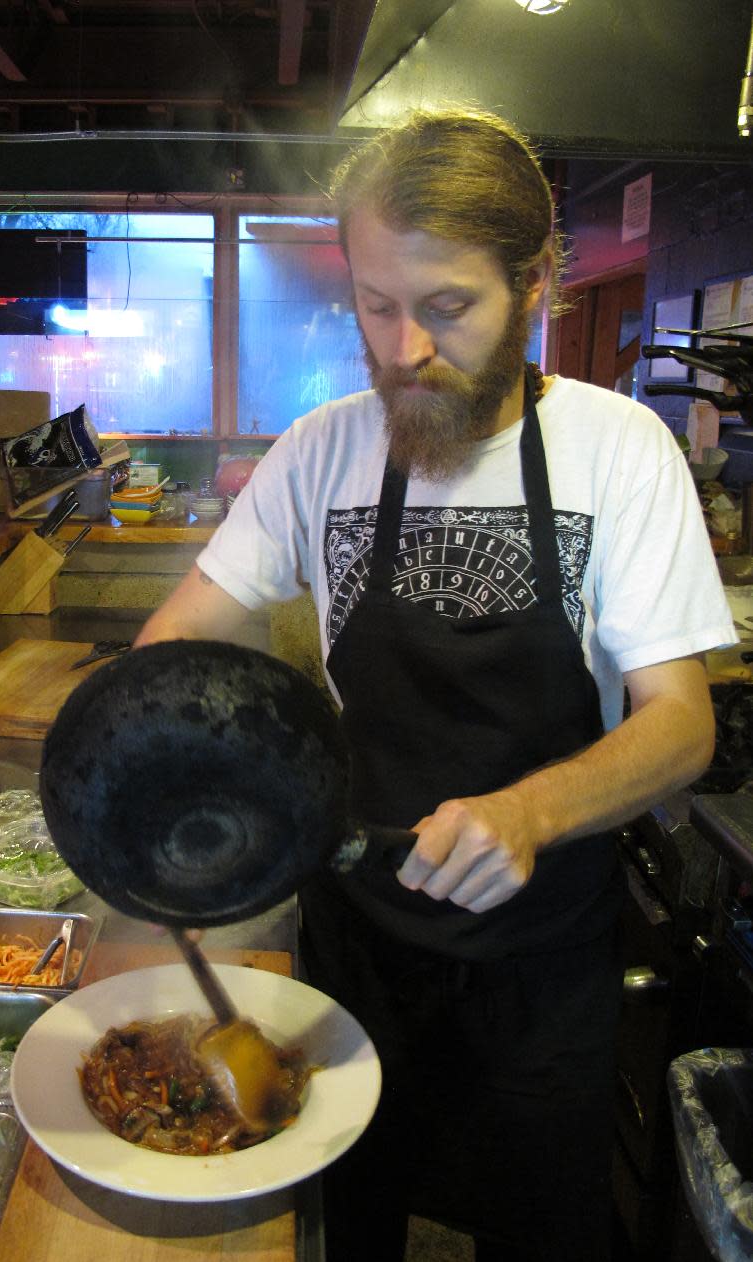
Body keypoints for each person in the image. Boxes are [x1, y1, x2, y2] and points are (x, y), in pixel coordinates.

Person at [134, 109, 735, 1261]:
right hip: (352, 947)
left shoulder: (619, 450)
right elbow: (184, 634)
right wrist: (150, 764)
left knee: (538, 1231)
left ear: (534, 281)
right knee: (344, 1225)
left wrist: (529, 810)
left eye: (446, 307)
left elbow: (681, 724)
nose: (403, 346)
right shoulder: (321, 448)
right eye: (373, 303)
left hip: (541, 964)